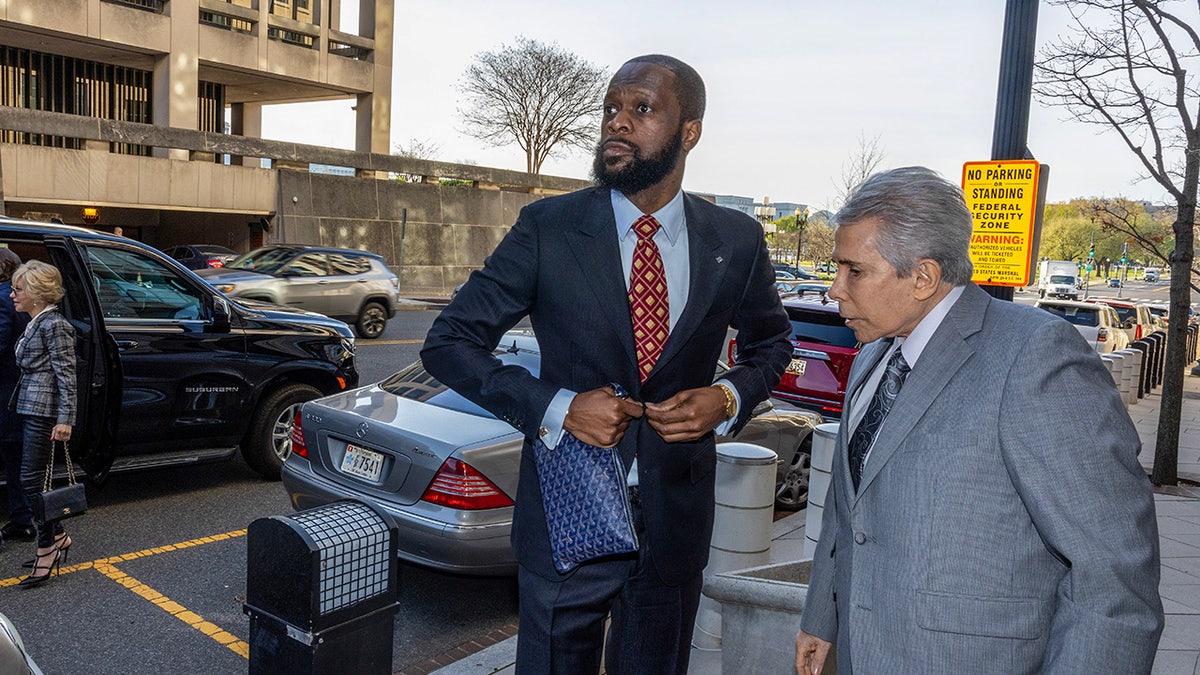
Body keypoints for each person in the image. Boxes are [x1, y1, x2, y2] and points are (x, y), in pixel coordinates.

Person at [422, 54, 791, 674]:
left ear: (689, 131)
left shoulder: (736, 239)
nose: (618, 123)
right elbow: (448, 342)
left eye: (641, 109)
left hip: (675, 519)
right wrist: (559, 408)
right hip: (568, 514)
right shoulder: (550, 228)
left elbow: (772, 345)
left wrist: (726, 399)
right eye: (611, 109)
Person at [794, 167, 1163, 674]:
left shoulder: (1038, 358)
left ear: (922, 276)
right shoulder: (873, 354)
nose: (835, 289)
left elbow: (1113, 576)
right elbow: (848, 509)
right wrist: (822, 617)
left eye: (853, 271)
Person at [9, 260, 77, 587]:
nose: (12, 295)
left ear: (36, 293)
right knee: (31, 480)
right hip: (33, 407)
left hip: (46, 410)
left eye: (18, 289)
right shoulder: (37, 321)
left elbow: (67, 375)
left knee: (30, 481)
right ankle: (58, 535)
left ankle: (46, 547)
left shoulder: (54, 325)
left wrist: (66, 420)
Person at [0, 248, 33, 544]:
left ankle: (25, 521)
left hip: (5, 392)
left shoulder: (2, 299)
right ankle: (23, 520)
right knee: (16, 461)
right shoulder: (17, 299)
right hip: (16, 392)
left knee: (14, 458)